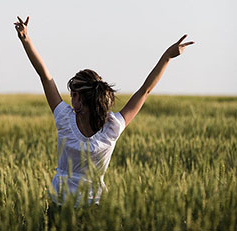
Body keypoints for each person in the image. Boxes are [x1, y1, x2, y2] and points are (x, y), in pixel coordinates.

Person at [14, 16, 194, 205]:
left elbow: (45, 77)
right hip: (91, 208)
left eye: (74, 94)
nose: (70, 97)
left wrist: (167, 57)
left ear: (83, 100)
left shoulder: (66, 119)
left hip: (64, 206)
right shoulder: (111, 128)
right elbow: (144, 91)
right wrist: (26, 40)